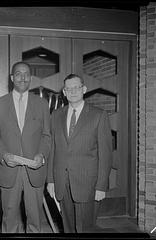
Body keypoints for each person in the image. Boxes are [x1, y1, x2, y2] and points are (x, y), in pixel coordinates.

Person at [47, 73, 112, 233]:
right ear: (64, 92)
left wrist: (101, 186)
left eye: (76, 87)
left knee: (85, 229)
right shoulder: (56, 115)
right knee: (68, 227)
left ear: (84, 89)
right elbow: (52, 149)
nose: (73, 91)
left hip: (87, 184)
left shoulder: (99, 115)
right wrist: (50, 180)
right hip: (62, 181)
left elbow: (106, 153)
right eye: (69, 88)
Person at [0, 61, 51, 233]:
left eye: (26, 74)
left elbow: (47, 136)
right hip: (9, 170)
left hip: (35, 169)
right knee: (9, 218)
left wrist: (42, 155)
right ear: (12, 78)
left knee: (35, 216)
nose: (22, 77)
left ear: (31, 78)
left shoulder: (41, 104)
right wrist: (3, 156)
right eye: (18, 73)